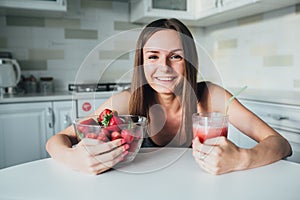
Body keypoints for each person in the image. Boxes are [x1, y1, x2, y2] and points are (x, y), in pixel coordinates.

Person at [46, 18, 292, 175]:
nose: (164, 67)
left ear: (189, 61)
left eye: (175, 56)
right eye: (153, 56)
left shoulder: (211, 96)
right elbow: (58, 139)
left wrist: (242, 158)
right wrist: (73, 158)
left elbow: (281, 144)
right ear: (141, 63)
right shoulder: (125, 101)